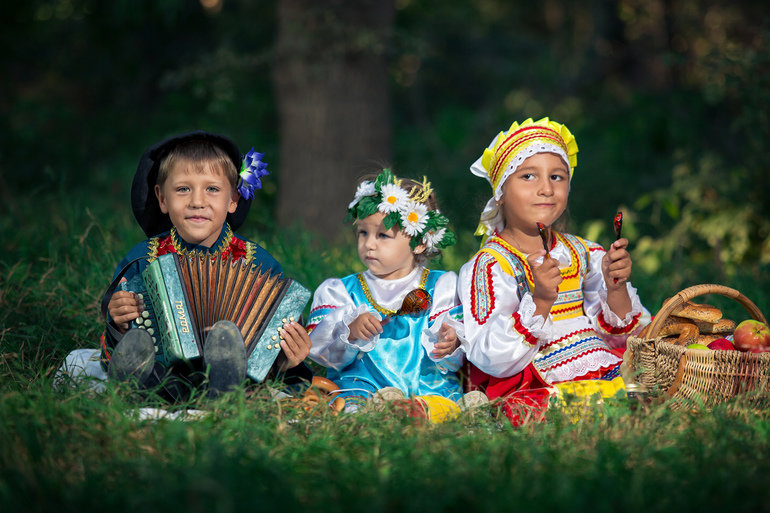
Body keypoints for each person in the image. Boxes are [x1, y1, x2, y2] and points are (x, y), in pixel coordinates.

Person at [458, 117, 650, 425]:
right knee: (568, 409)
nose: (546, 189)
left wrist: (615, 288)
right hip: (538, 375)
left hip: (598, 359)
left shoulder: (583, 252)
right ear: (501, 192)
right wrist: (541, 301)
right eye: (529, 176)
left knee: (645, 385)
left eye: (558, 177)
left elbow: (624, 335)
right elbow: (490, 355)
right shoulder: (491, 264)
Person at [101, 130, 312, 400]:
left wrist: (288, 358)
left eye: (212, 189)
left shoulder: (259, 264)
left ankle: (223, 390)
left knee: (235, 361)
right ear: (162, 199)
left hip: (237, 377)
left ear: (233, 199)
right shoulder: (143, 258)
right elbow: (116, 324)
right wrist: (118, 321)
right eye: (182, 189)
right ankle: (136, 386)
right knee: (137, 354)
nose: (197, 202)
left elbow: (274, 349)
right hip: (162, 375)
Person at [306, 169, 469, 417]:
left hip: (425, 388)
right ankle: (373, 411)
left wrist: (451, 339)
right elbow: (320, 351)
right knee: (352, 409)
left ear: (420, 241)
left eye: (383, 235)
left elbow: (453, 357)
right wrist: (349, 330)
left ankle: (418, 411)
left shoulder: (442, 286)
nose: (369, 244)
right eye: (363, 233)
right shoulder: (342, 292)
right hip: (361, 390)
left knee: (443, 410)